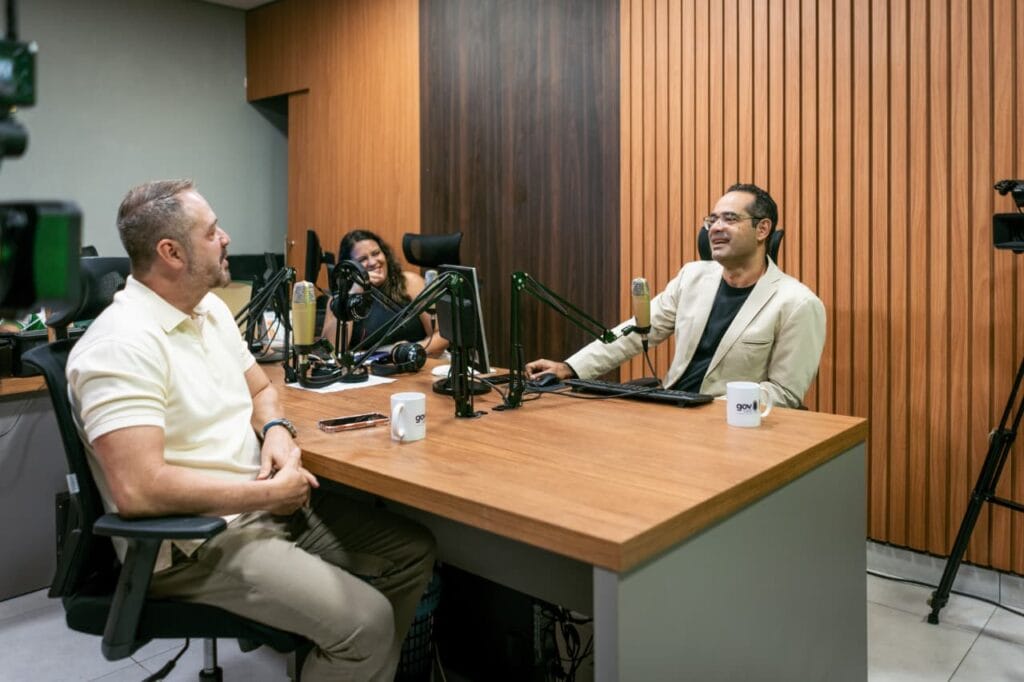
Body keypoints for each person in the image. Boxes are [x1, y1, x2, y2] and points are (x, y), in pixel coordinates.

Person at [66, 179, 435, 680]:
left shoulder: (208, 311)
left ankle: (348, 661)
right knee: (365, 625)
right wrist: (267, 495)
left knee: (412, 552)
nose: (226, 238)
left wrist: (277, 431)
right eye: (211, 231)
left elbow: (262, 390)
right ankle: (353, 650)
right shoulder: (120, 345)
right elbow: (139, 490)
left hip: (258, 507)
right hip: (195, 541)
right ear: (171, 252)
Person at [527, 183, 826, 408]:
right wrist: (570, 367)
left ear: (762, 229)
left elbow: (784, 393)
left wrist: (710, 409)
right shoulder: (691, 277)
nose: (716, 228)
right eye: (712, 220)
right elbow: (636, 333)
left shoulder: (797, 303)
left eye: (730, 219)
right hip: (671, 411)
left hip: (730, 428)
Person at [323, 229, 448, 355]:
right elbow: (331, 350)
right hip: (370, 366)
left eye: (376, 253)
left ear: (385, 254)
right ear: (350, 267)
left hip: (417, 361)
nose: (373, 262)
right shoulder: (340, 299)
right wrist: (354, 292)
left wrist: (410, 351)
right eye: (362, 259)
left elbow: (443, 335)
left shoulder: (411, 283)